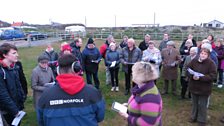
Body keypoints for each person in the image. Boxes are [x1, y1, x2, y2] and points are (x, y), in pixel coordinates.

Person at [37, 54, 105, 126]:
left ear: (58, 70)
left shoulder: (46, 95)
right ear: (77, 68)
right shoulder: (93, 92)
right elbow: (100, 117)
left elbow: (41, 122)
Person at [187, 48, 217, 126]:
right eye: (202, 53)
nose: (203, 55)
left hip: (204, 88)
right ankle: (193, 117)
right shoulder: (194, 61)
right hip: (194, 87)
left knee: (202, 105)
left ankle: (202, 120)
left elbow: (213, 76)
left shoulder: (211, 63)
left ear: (208, 55)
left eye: (205, 54)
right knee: (194, 103)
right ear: (199, 54)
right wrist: (192, 76)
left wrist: (201, 78)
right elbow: (188, 69)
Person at [0, 43, 26, 125]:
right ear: (4, 55)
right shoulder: (1, 71)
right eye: (14, 53)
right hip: (7, 111)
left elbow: (18, 86)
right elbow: (2, 94)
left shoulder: (13, 67)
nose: (17, 55)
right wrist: (14, 110)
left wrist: (22, 99)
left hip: (16, 107)